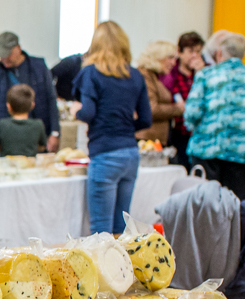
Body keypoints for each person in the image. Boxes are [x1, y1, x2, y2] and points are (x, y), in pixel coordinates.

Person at [75, 20, 152, 236]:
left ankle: (102, 271)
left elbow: (88, 113)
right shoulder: (135, 75)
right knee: (121, 228)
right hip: (130, 153)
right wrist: (124, 127)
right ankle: (122, 270)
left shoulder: (91, 73)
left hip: (105, 153)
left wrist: (76, 112)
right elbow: (146, 119)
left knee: (101, 231)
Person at [184, 30, 245, 200]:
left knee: (205, 207)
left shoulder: (206, 75)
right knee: (235, 207)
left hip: (207, 152)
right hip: (241, 155)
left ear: (219, 53)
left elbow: (192, 113)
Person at [0, 31, 60, 151]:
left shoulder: (39, 67)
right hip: (7, 139)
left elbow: (51, 99)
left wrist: (55, 132)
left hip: (38, 137)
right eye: (2, 56)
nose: (4, 59)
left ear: (18, 49)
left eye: (8, 54)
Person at [164, 30, 203, 158]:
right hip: (178, 133)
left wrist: (201, 75)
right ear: (179, 52)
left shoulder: (205, 73)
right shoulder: (170, 75)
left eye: (198, 52)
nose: (195, 56)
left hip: (199, 134)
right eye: (191, 51)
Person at [134, 40, 180, 144]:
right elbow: (151, 109)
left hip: (155, 139)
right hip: (147, 140)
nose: (174, 63)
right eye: (170, 58)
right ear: (157, 56)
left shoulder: (154, 76)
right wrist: (178, 108)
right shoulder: (145, 76)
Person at [0, 84, 45, 157]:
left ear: (9, 106)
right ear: (32, 105)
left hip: (8, 165)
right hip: (29, 165)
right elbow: (42, 147)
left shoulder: (2, 124)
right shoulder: (38, 124)